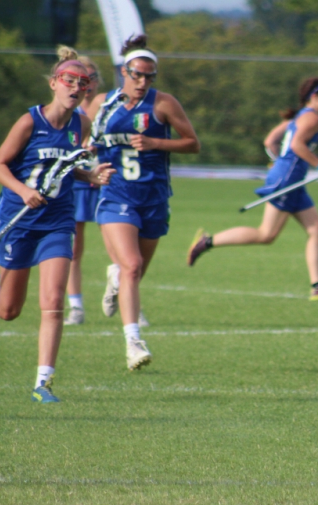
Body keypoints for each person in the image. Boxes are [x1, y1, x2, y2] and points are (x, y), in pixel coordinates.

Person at [0, 46, 114, 402]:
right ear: (55, 84)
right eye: (70, 81)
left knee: (54, 299)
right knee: (9, 312)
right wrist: (23, 190)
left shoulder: (81, 124)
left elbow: (63, 167)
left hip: (58, 221)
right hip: (19, 220)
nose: (76, 88)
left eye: (83, 84)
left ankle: (43, 383)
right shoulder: (30, 121)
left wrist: (90, 175)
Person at [88, 35, 200, 370]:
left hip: (153, 197)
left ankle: (116, 277)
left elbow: (192, 143)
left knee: (135, 271)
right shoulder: (101, 104)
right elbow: (84, 145)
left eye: (149, 77)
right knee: (132, 266)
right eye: (136, 74)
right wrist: (92, 168)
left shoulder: (163, 104)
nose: (142, 82)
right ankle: (133, 342)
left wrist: (155, 143)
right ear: (124, 71)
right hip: (116, 195)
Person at [186, 77, 318, 302]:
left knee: (317, 229)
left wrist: (280, 161)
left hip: (290, 180)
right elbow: (296, 145)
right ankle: (207, 241)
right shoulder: (311, 118)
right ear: (315, 96)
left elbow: (270, 141)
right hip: (287, 181)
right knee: (266, 234)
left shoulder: (301, 116)